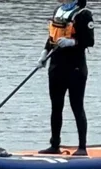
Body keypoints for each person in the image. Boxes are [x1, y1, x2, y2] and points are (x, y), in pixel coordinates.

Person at [39, 0, 95, 155]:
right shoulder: (58, 11)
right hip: (56, 67)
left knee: (77, 106)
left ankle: (82, 148)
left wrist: (72, 42)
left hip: (75, 68)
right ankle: (54, 145)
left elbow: (90, 41)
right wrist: (44, 53)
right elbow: (52, 36)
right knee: (56, 107)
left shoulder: (84, 14)